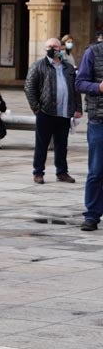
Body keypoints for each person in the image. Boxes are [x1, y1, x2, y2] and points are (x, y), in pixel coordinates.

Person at [25, 38, 82, 185]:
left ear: (61, 48)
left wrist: (78, 108)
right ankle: (38, 172)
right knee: (42, 144)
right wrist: (36, 108)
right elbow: (29, 87)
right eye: (50, 46)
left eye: (55, 46)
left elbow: (76, 89)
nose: (53, 49)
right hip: (46, 112)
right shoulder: (38, 66)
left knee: (62, 144)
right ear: (45, 49)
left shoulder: (68, 67)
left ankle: (62, 172)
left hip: (64, 112)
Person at [76, 37, 103, 231]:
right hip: (99, 120)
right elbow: (80, 83)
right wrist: (99, 87)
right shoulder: (92, 52)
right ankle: (92, 215)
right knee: (96, 170)